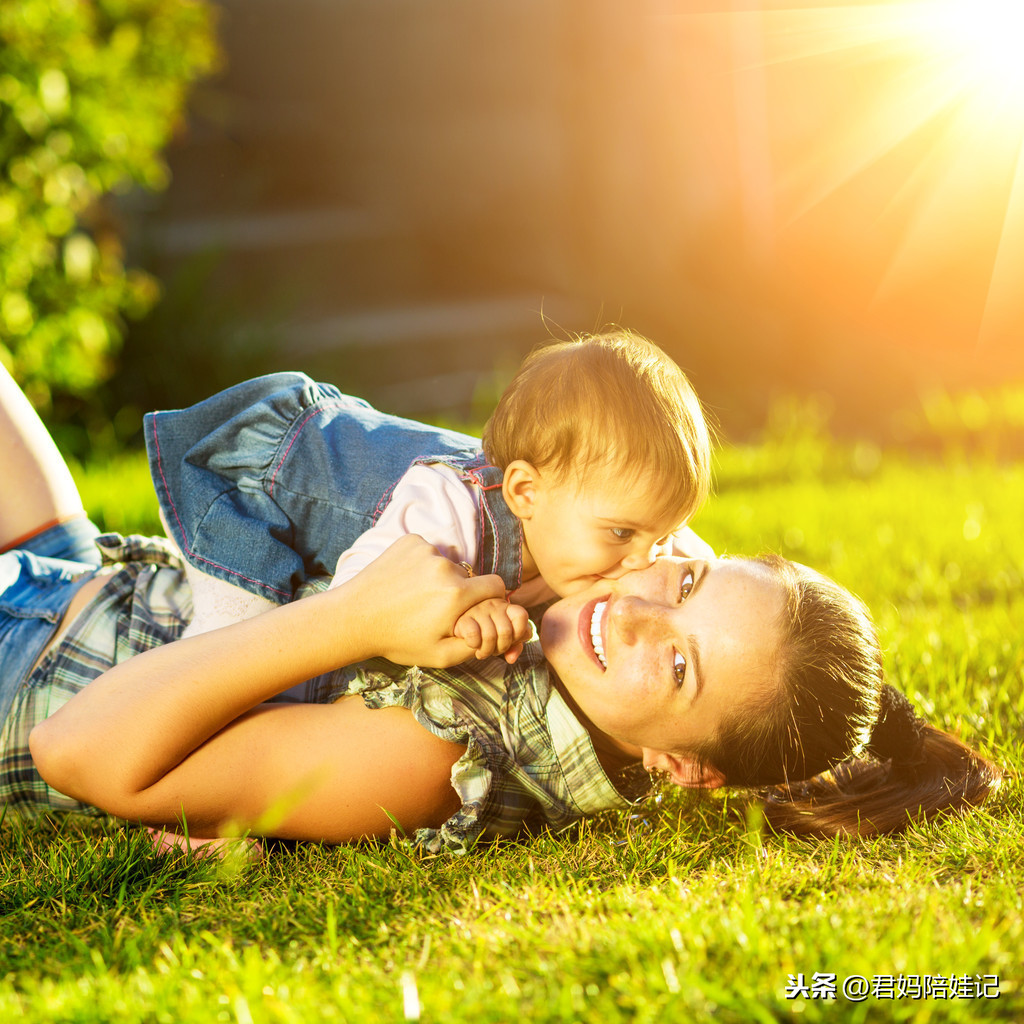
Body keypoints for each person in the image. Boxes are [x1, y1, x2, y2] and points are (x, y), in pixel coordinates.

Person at [1, 364, 1002, 854]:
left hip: (35, 671)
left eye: (680, 665)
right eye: (688, 579)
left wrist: (354, 616)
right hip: (81, 569)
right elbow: (525, 470)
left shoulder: (441, 752)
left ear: (681, 766)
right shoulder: (589, 581)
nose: (642, 604)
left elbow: (79, 751)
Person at [143, 331, 714, 663]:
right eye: (623, 534)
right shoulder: (448, 513)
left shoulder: (582, 507)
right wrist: (461, 606)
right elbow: (355, 604)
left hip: (329, 454)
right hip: (255, 479)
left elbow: (703, 567)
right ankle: (190, 804)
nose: (646, 560)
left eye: (660, 534)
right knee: (249, 650)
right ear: (524, 492)